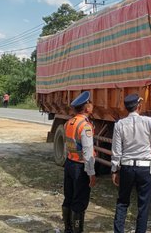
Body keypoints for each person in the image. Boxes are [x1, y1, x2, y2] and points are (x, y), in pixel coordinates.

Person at [111, 94, 151, 233]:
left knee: (122, 202)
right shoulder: (148, 121)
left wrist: (115, 170)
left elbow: (116, 151)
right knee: (143, 205)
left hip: (127, 167)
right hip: (144, 169)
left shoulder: (119, 125)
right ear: (139, 106)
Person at [62, 91, 97, 233]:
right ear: (86, 108)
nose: (92, 105)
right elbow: (88, 153)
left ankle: (68, 229)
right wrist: (91, 174)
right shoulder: (85, 126)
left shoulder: (68, 123)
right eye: (90, 103)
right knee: (80, 201)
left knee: (68, 197)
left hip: (69, 163)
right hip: (80, 167)